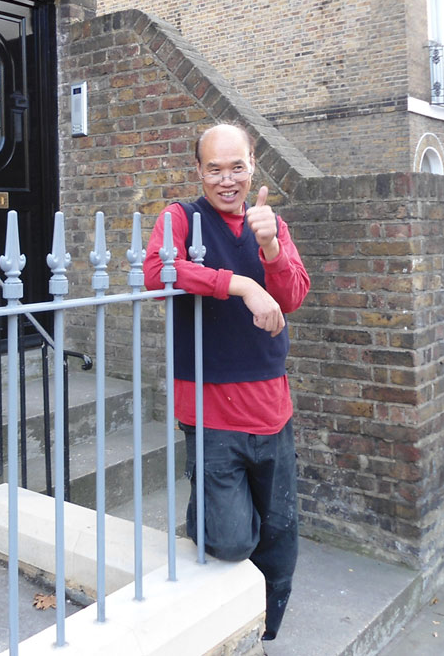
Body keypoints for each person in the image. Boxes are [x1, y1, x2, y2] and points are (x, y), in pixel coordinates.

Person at [143, 123, 310, 641]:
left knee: (279, 534)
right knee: (234, 540)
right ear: (198, 170)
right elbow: (156, 273)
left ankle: (263, 631)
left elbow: (295, 294)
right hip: (209, 410)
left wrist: (270, 251)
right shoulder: (180, 219)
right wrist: (237, 284)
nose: (226, 179)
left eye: (236, 166)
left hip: (270, 408)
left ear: (253, 165)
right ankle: (212, 524)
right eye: (214, 168)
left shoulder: (271, 224)